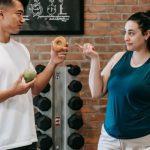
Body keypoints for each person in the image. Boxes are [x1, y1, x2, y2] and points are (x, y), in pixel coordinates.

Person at [0, 0, 68, 150]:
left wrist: (52, 62)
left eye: (23, 14)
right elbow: (18, 91)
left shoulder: (21, 49)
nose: (22, 19)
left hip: (27, 138)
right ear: (1, 14)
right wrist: (13, 92)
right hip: (3, 142)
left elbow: (35, 88)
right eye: (18, 14)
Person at [78, 10, 150, 150]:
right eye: (125, 32)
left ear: (146, 34)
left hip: (142, 142)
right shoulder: (118, 58)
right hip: (109, 139)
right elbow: (96, 92)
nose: (126, 38)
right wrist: (94, 59)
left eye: (131, 33)